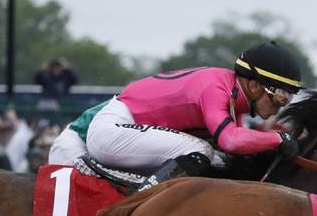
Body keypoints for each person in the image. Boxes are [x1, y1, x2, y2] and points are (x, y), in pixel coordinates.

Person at [85, 41, 302, 191]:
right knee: (201, 150)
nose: (281, 106)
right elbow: (231, 140)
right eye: (281, 96)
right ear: (254, 86)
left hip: (123, 129)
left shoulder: (232, 96)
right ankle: (139, 205)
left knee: (218, 160)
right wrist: (277, 139)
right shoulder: (216, 88)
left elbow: (232, 149)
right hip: (112, 129)